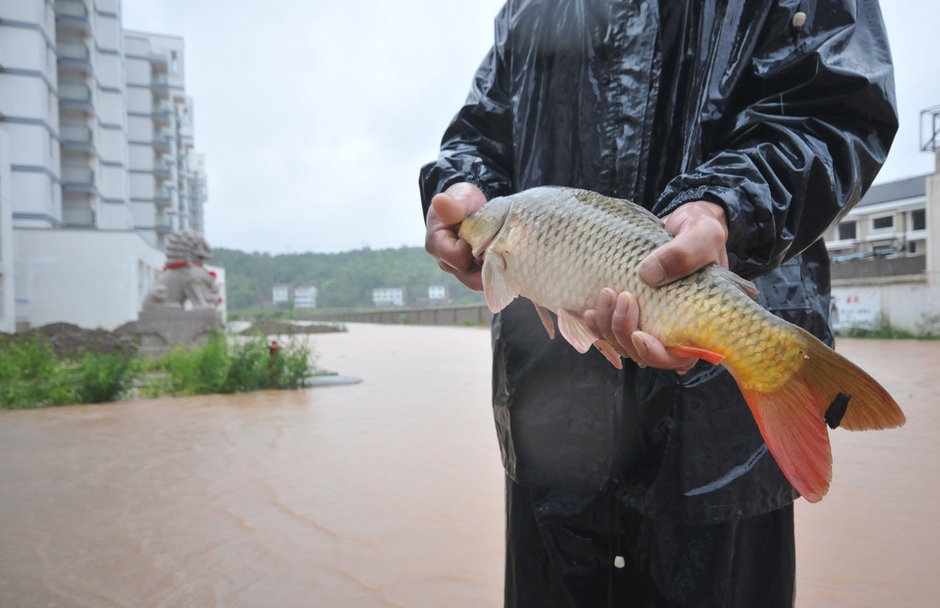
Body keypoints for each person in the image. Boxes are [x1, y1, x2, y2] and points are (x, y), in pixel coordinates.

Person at [420, 2, 897, 606]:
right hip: (553, 426)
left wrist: (727, 205)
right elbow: (479, 135)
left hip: (715, 436)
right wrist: (456, 191)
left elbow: (840, 107)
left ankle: (775, 364)